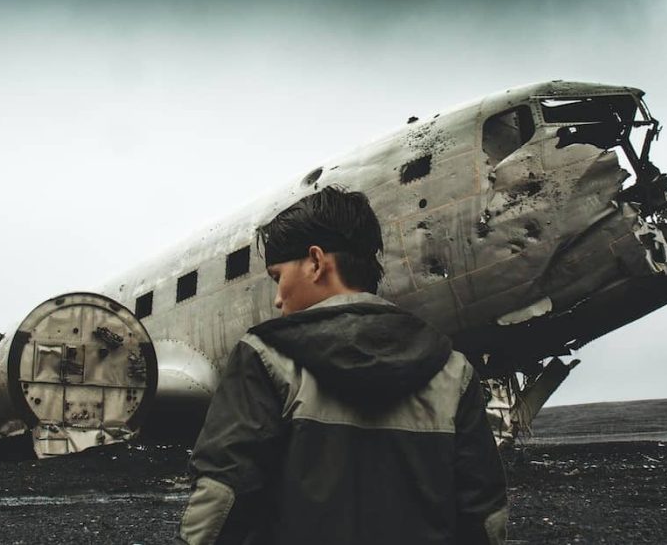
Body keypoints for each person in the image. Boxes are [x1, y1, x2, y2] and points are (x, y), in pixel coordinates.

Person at [178, 186, 508, 545]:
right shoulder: (452, 370)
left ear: (316, 262)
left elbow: (221, 497)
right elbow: (485, 515)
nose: (277, 300)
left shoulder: (265, 356)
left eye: (277, 278)